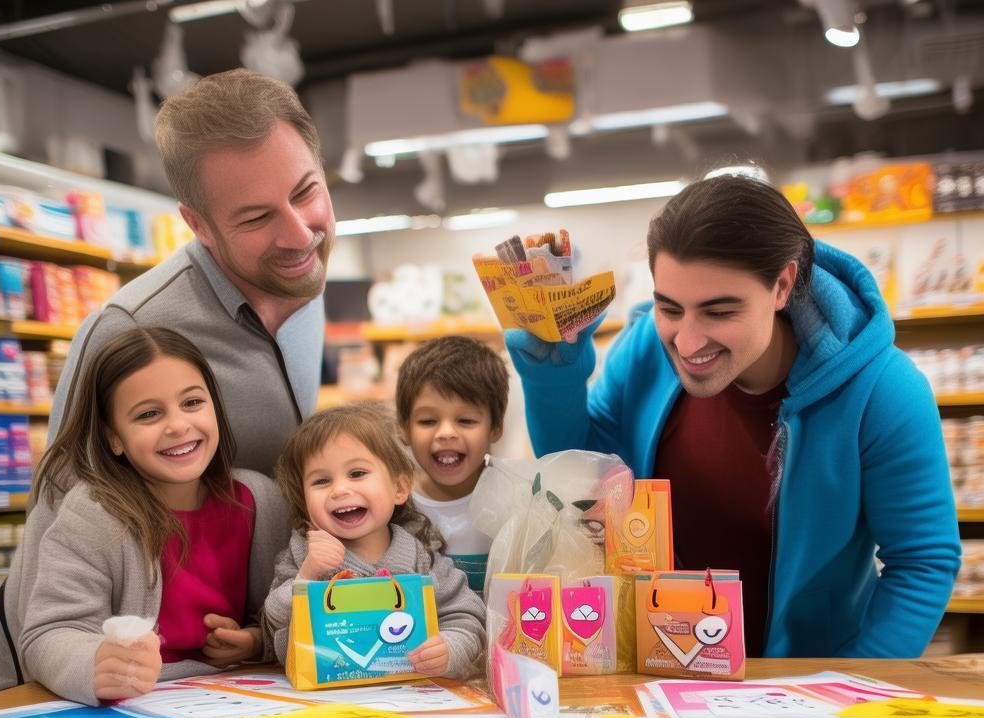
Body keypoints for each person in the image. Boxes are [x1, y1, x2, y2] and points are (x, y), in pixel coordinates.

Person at [506, 174, 960, 658]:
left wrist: (853, 683)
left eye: (719, 312)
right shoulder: (644, 348)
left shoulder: (881, 390)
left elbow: (922, 562)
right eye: (670, 309)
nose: (687, 342)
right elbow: (581, 477)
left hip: (803, 676)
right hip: (660, 662)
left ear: (782, 285)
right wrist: (553, 381)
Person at [0, 327, 290, 704]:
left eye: (192, 402)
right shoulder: (94, 512)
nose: (178, 425)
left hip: (235, 702)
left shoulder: (261, 500)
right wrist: (95, 663)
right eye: (148, 414)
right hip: (131, 707)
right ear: (114, 438)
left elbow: (288, 610)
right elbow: (49, 633)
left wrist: (255, 641)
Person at [49, 68, 335, 476]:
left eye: (306, 191)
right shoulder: (128, 328)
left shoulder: (305, 276)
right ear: (198, 225)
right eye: (256, 218)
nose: (300, 235)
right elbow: (57, 507)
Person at [264, 403, 486, 679]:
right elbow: (273, 623)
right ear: (304, 501)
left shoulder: (421, 559)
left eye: (357, 473)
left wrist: (449, 649)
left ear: (399, 488)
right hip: (325, 696)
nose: (340, 490)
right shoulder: (303, 554)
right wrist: (307, 576)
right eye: (321, 481)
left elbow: (467, 617)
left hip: (409, 694)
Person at [395, 336, 509, 594]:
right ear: (404, 428)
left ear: (496, 427)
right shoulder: (392, 508)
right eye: (428, 421)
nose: (446, 432)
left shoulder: (515, 501)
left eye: (466, 420)